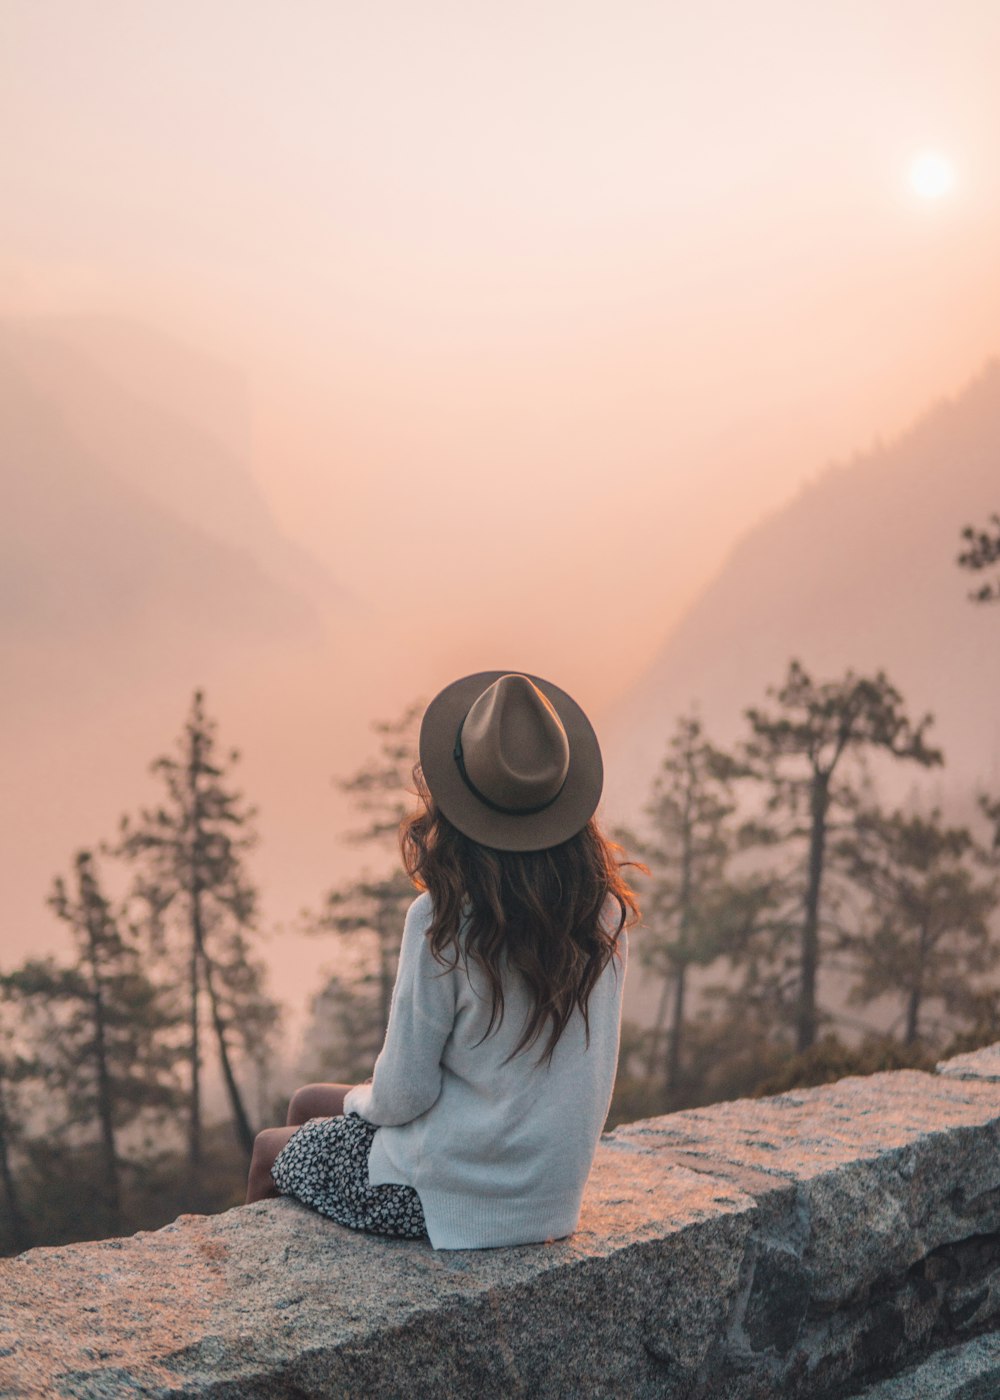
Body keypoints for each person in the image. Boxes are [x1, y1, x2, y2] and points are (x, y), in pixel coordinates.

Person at [245, 670, 642, 1250]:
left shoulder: (444, 921)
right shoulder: (602, 914)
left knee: (266, 1149)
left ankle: (255, 1315)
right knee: (307, 1103)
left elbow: (404, 1096)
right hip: (549, 1199)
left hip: (450, 1198)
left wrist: (363, 1099)